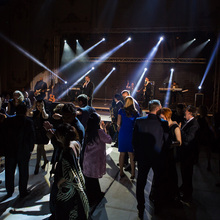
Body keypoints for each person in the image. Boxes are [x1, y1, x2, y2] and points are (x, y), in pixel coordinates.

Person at [132, 100, 170, 218]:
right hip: (157, 157)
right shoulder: (163, 123)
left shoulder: (139, 121)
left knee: (141, 183)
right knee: (158, 182)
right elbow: (167, 142)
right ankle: (157, 207)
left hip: (143, 157)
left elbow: (134, 141)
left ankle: (141, 207)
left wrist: (138, 154)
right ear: (158, 109)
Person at [50, 123, 89, 220]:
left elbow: (69, 174)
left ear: (62, 137)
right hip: (76, 184)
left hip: (67, 188)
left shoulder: (67, 151)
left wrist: (59, 183)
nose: (56, 137)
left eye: (57, 135)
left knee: (64, 211)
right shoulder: (76, 144)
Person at [4, 104, 35, 198]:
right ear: (25, 111)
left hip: (10, 150)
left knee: (9, 172)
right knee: (23, 172)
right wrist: (30, 150)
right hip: (23, 150)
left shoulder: (8, 121)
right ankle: (23, 191)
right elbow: (32, 137)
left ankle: (9, 191)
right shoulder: (28, 122)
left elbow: (4, 135)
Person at [83, 112, 112, 206]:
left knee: (89, 179)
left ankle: (92, 196)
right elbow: (109, 140)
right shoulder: (99, 132)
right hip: (95, 159)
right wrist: (104, 129)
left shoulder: (87, 130)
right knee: (94, 179)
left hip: (88, 158)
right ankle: (95, 197)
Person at [159, 107, 182, 205]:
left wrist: (169, 144)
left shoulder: (175, 126)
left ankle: (171, 197)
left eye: (162, 117)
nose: (161, 118)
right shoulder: (162, 125)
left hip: (170, 155)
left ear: (167, 116)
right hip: (162, 154)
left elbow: (179, 142)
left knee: (171, 175)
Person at [179, 105, 200, 201]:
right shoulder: (188, 122)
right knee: (184, 173)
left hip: (189, 154)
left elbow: (188, 139)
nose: (184, 113)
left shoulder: (194, 124)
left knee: (187, 174)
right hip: (185, 154)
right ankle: (184, 188)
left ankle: (187, 194)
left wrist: (180, 130)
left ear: (190, 113)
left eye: (186, 112)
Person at [117, 96, 139, 180]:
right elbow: (137, 124)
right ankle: (133, 173)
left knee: (122, 154)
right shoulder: (135, 112)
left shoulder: (121, 111)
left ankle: (121, 171)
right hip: (131, 132)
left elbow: (118, 123)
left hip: (123, 132)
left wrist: (120, 128)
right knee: (131, 154)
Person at [30, 100, 49, 175]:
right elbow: (28, 114)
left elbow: (45, 116)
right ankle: (45, 160)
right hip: (36, 132)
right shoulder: (35, 112)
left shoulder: (46, 111)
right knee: (41, 148)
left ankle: (37, 165)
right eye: (37, 105)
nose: (38, 107)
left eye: (39, 105)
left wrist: (43, 109)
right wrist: (33, 106)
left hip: (43, 133)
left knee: (39, 147)